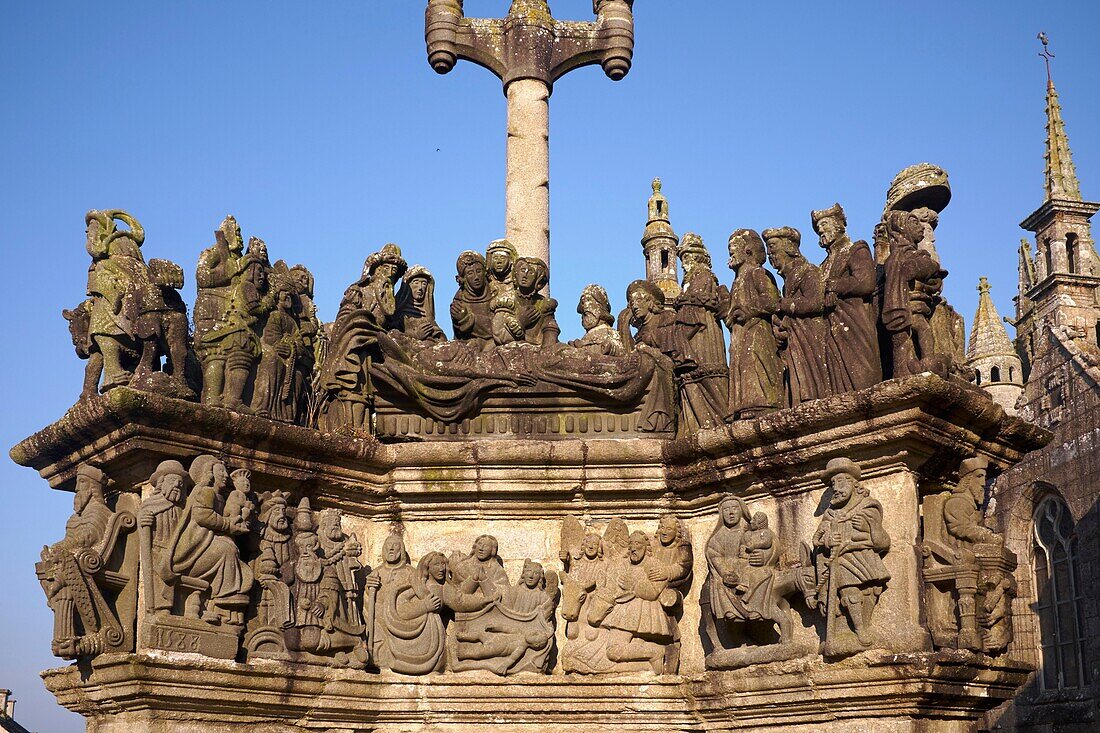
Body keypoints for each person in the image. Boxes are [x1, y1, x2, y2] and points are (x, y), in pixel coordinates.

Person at [165, 456, 254, 625]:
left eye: (226, 471)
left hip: (205, 544)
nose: (226, 475)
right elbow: (203, 515)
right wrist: (228, 525)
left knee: (229, 548)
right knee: (226, 550)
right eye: (221, 471)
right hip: (192, 549)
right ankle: (222, 606)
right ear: (210, 474)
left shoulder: (220, 496)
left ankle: (218, 604)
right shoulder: (206, 491)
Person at [812, 204, 881, 393]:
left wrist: (835, 286)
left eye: (824, 224)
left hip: (854, 324)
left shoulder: (856, 249)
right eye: (818, 227)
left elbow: (866, 282)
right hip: (830, 329)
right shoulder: (822, 265)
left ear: (839, 224)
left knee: (862, 380)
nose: (820, 230)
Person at [763, 227, 829, 406]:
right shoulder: (788, 281)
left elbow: (815, 302)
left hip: (809, 336)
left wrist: (784, 305)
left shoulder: (808, 271)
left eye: (773, 246)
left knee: (810, 383)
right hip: (796, 339)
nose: (770, 253)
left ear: (789, 247)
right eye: (768, 248)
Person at [674, 233, 729, 431]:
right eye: (682, 258)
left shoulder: (704, 276)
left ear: (698, 257)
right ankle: (696, 423)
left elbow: (699, 305)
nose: (683, 263)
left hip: (703, 331)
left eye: (687, 257)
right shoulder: (689, 280)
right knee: (691, 377)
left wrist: (682, 303)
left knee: (707, 374)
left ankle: (718, 420)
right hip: (691, 332)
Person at [725, 229, 782, 419]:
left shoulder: (758, 274)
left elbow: (772, 301)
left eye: (733, 249)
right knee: (741, 366)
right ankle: (742, 407)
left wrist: (748, 310)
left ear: (747, 251)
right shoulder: (736, 282)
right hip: (739, 335)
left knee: (755, 365)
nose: (730, 254)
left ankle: (761, 404)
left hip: (757, 332)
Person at [391, 265, 446, 342]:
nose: (420, 288)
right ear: (408, 285)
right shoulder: (398, 314)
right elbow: (391, 336)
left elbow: (442, 340)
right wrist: (414, 335)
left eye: (424, 284)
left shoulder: (428, 317)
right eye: (416, 282)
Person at [450, 250, 494, 345]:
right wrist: (459, 321)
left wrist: (469, 320)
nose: (476, 277)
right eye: (470, 273)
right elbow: (460, 336)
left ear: (485, 273)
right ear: (463, 278)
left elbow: (498, 327)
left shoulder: (494, 293)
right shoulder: (459, 301)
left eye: (478, 271)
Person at [570, 284, 626, 356]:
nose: (584, 306)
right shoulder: (586, 336)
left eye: (589, 300)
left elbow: (620, 351)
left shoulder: (609, 333)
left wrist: (611, 347)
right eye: (582, 302)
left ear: (601, 307)